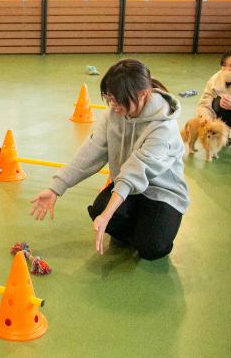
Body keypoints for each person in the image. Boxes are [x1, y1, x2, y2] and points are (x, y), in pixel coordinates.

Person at [30, 59, 189, 261]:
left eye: (118, 99)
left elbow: (135, 172)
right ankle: (138, 228)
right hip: (127, 187)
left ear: (143, 94)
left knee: (151, 249)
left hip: (161, 192)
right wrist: (56, 187)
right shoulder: (114, 113)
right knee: (98, 209)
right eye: (109, 97)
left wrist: (108, 215)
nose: (113, 105)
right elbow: (91, 151)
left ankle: (145, 232)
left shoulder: (164, 127)